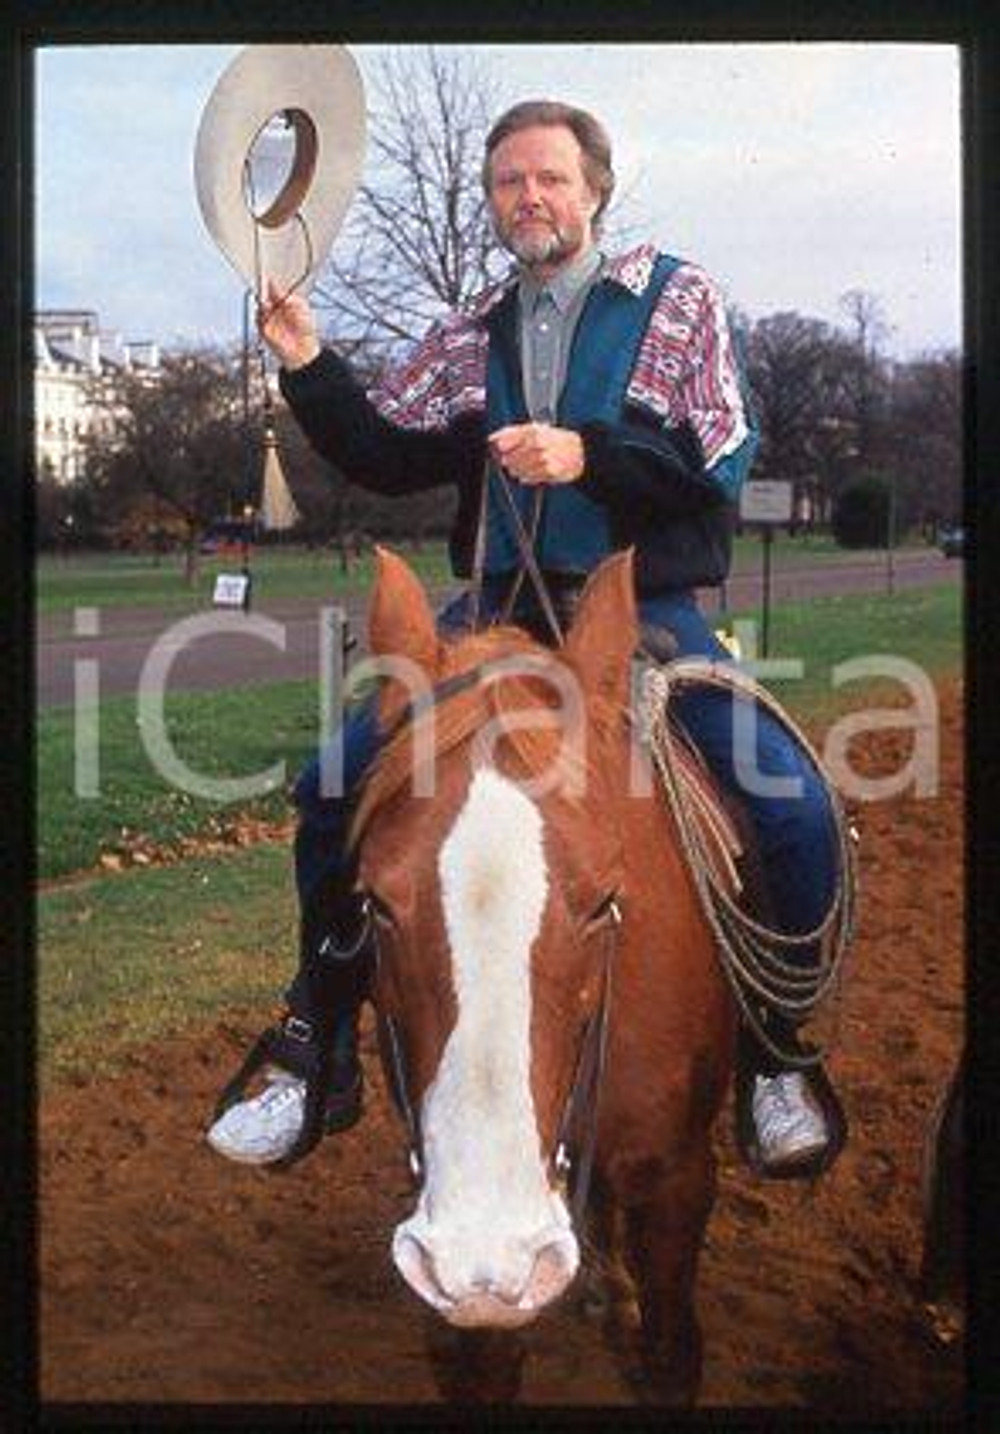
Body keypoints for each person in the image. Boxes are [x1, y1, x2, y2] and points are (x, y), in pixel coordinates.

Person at [207, 99, 844, 1178]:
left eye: (549, 178)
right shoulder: (471, 329)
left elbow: (714, 463)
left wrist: (584, 457)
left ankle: (778, 1056)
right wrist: (310, 361)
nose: (528, 199)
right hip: (493, 611)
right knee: (332, 788)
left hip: (646, 608)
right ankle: (315, 1044)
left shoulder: (675, 301)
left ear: (594, 188)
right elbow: (387, 451)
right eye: (508, 183)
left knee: (791, 799)